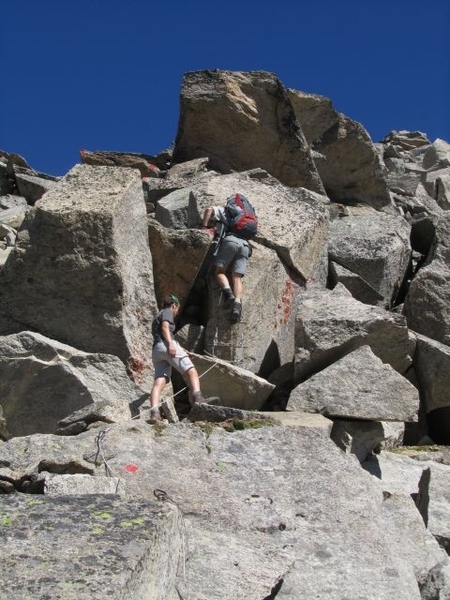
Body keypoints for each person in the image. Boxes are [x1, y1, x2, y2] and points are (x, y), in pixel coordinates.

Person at [149, 294, 209, 422]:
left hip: (156, 350)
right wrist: (171, 344)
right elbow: (165, 327)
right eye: (177, 309)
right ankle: (199, 398)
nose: (176, 312)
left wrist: (183, 351)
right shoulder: (168, 311)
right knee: (191, 371)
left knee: (159, 382)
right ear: (174, 305)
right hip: (166, 344)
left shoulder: (157, 316)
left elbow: (161, 333)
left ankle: (154, 412)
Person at [201, 204, 251, 323]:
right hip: (245, 245)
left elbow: (208, 209)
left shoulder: (226, 210)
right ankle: (238, 304)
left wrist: (204, 227)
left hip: (230, 241)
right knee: (237, 277)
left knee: (219, 271)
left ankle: (229, 295)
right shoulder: (247, 217)